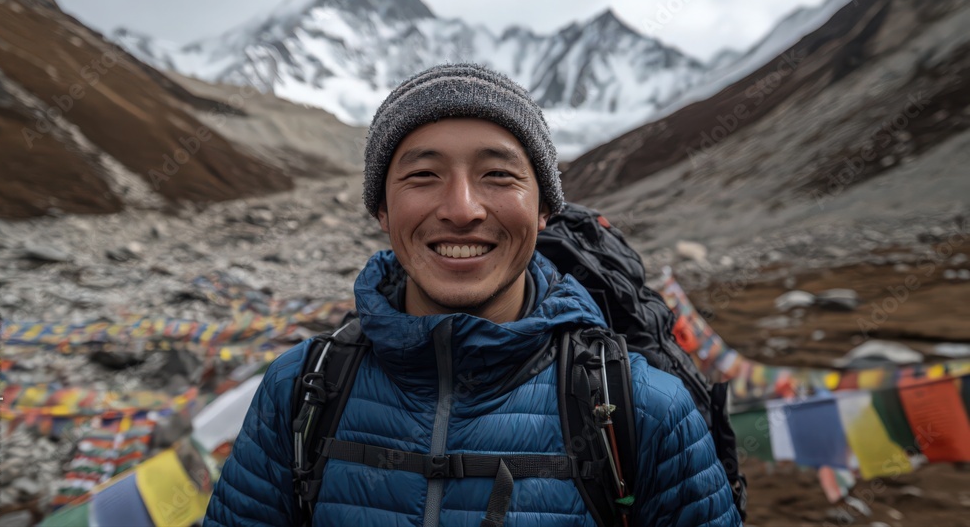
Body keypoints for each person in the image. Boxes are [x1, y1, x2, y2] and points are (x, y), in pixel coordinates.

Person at [203, 63, 740, 526]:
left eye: (498, 175)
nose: (462, 209)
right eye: (423, 174)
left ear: (543, 209)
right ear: (381, 210)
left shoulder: (643, 409)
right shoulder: (299, 392)